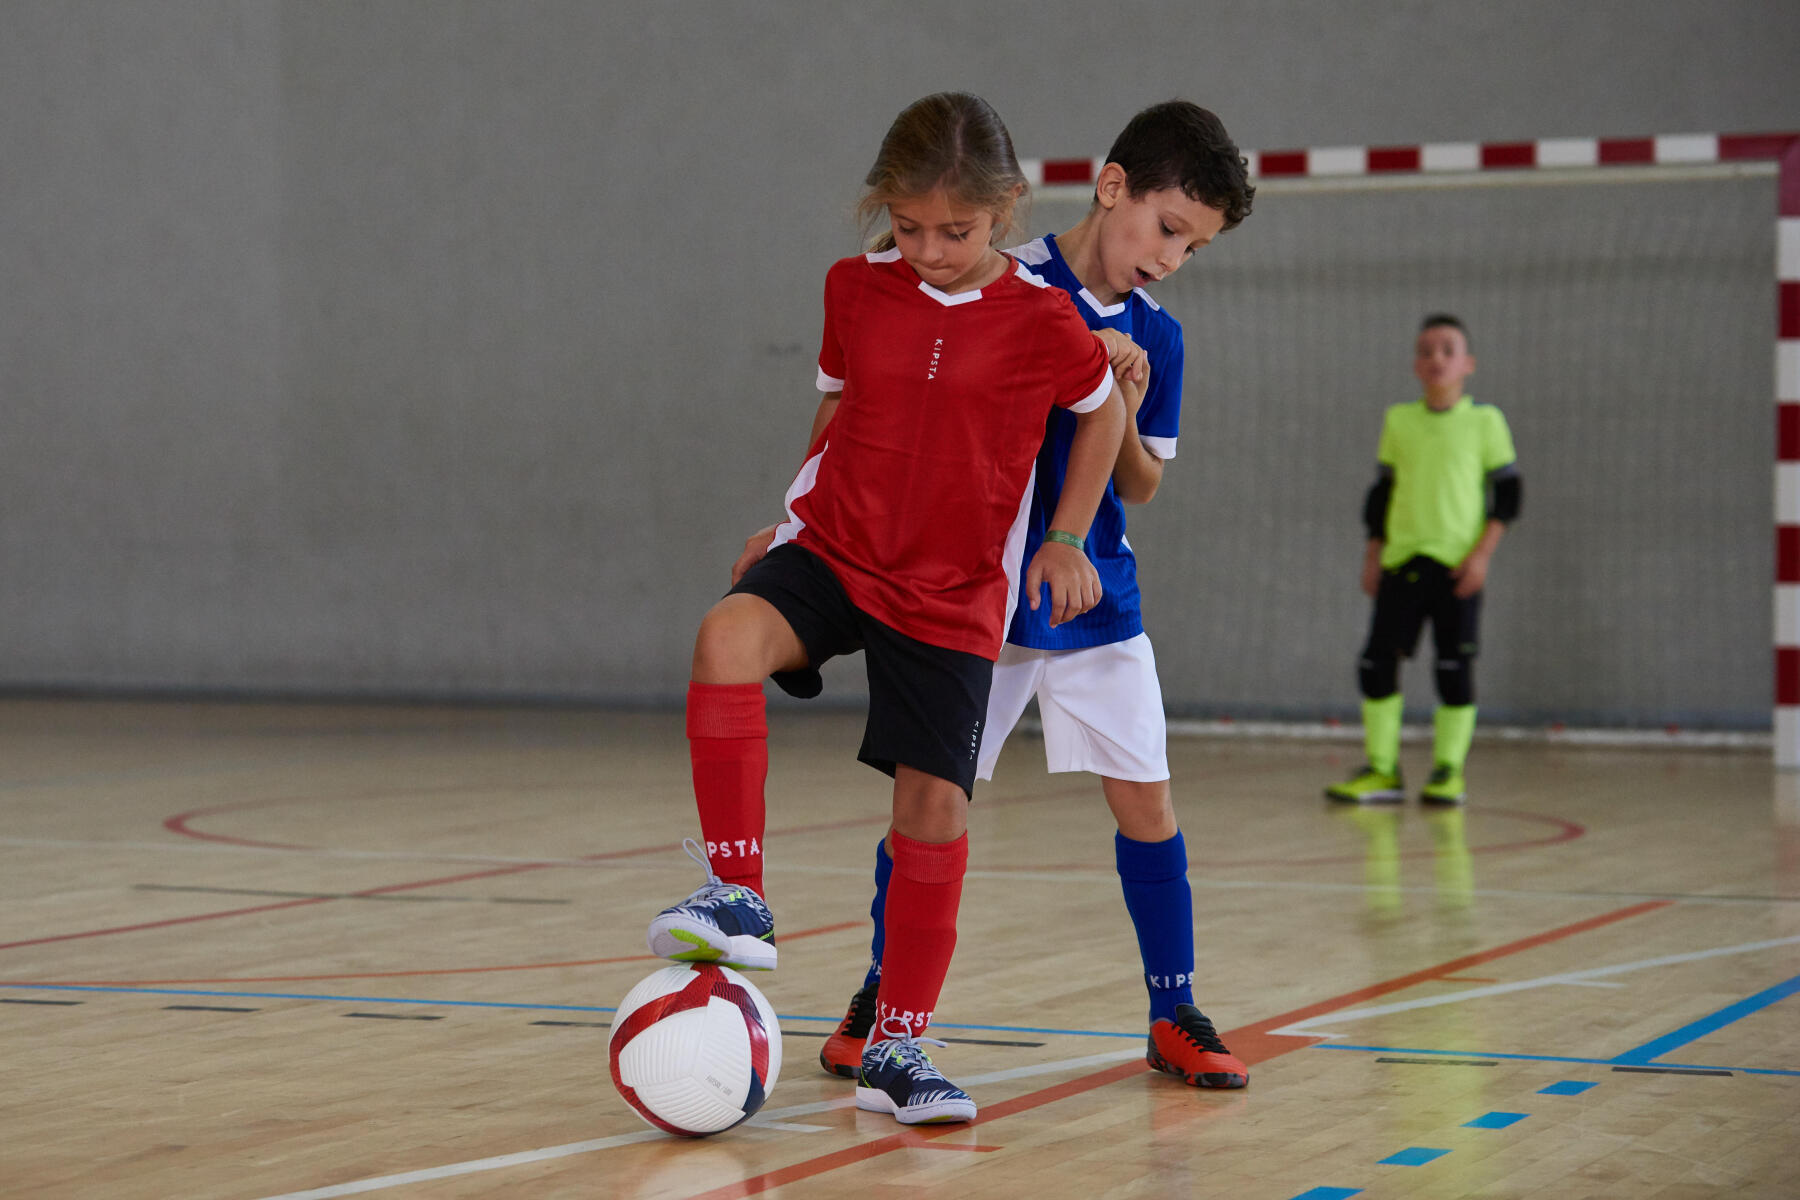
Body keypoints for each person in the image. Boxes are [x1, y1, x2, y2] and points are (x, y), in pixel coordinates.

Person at [644, 92, 1127, 1127]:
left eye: (954, 231)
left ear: (1005, 208)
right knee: (726, 635)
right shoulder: (855, 290)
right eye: (907, 228)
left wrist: (1067, 537)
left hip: (950, 591)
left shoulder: (1044, 319)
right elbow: (836, 404)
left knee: (933, 808)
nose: (930, 249)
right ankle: (739, 894)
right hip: (840, 545)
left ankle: (898, 1042)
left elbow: (1102, 414)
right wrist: (784, 522)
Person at [807, 100, 1258, 1090]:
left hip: (1095, 596)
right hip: (977, 598)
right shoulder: (1002, 279)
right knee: (927, 804)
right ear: (1112, 189)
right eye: (1169, 228)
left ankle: (1173, 1009)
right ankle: (882, 998)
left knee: (1148, 801)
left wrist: (1125, 401)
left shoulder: (1159, 334)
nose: (1174, 256)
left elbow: (1142, 483)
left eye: (1195, 246)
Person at [1325, 314, 1520, 806]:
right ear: (1416, 363)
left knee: (1453, 668)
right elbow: (1383, 494)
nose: (1437, 359)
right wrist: (1373, 555)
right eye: (1427, 350)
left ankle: (1448, 770)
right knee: (1376, 664)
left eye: (1448, 350)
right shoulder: (1399, 420)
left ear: (1467, 363)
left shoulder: (1485, 421)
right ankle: (1383, 770)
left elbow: (1509, 495)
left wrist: (1481, 557)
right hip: (1402, 561)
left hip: (1457, 567)